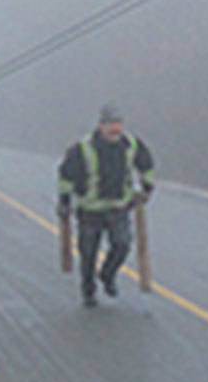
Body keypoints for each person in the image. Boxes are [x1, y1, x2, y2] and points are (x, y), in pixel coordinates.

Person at [57, 103, 155, 307]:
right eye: (110, 124)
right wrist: (64, 202)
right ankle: (88, 291)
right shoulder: (82, 149)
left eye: (118, 124)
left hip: (118, 207)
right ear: (100, 126)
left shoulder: (131, 145)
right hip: (89, 210)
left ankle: (107, 275)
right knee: (88, 253)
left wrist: (147, 188)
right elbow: (66, 176)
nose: (115, 129)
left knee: (122, 244)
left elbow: (146, 164)